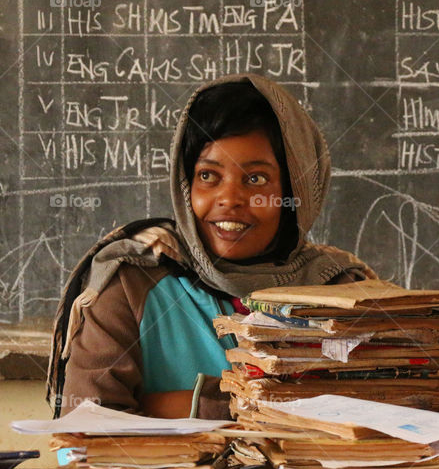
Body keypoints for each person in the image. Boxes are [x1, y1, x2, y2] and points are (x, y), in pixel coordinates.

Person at [46, 74, 376, 420]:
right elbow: (84, 437)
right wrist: (259, 405)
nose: (229, 199)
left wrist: (175, 405)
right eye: (207, 175)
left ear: (296, 193)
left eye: (256, 179)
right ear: (186, 183)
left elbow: (385, 422)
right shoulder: (131, 282)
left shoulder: (344, 294)